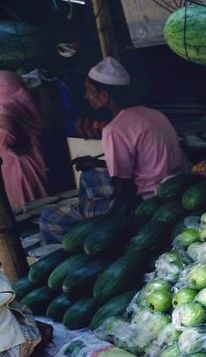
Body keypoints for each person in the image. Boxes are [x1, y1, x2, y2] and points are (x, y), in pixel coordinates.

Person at [39, 57, 187, 243]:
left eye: (89, 90)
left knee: (49, 217)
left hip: (146, 201)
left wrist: (105, 221)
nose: (86, 96)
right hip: (173, 187)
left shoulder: (115, 129)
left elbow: (123, 189)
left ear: (104, 95)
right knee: (90, 174)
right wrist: (98, 163)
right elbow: (143, 162)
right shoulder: (153, 114)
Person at [0, 72, 49, 211]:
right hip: (32, 161)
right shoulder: (20, 101)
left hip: (18, 166)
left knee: (27, 207)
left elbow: (6, 129)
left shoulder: (4, 106)